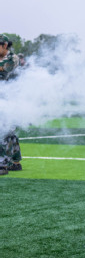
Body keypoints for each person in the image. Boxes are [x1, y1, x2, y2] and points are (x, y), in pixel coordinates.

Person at [0, 34, 23, 176]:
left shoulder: (13, 58)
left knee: (3, 130)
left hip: (11, 99)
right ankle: (15, 163)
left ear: (5, 45)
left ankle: (2, 165)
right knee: (9, 132)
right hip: (3, 98)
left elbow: (5, 69)